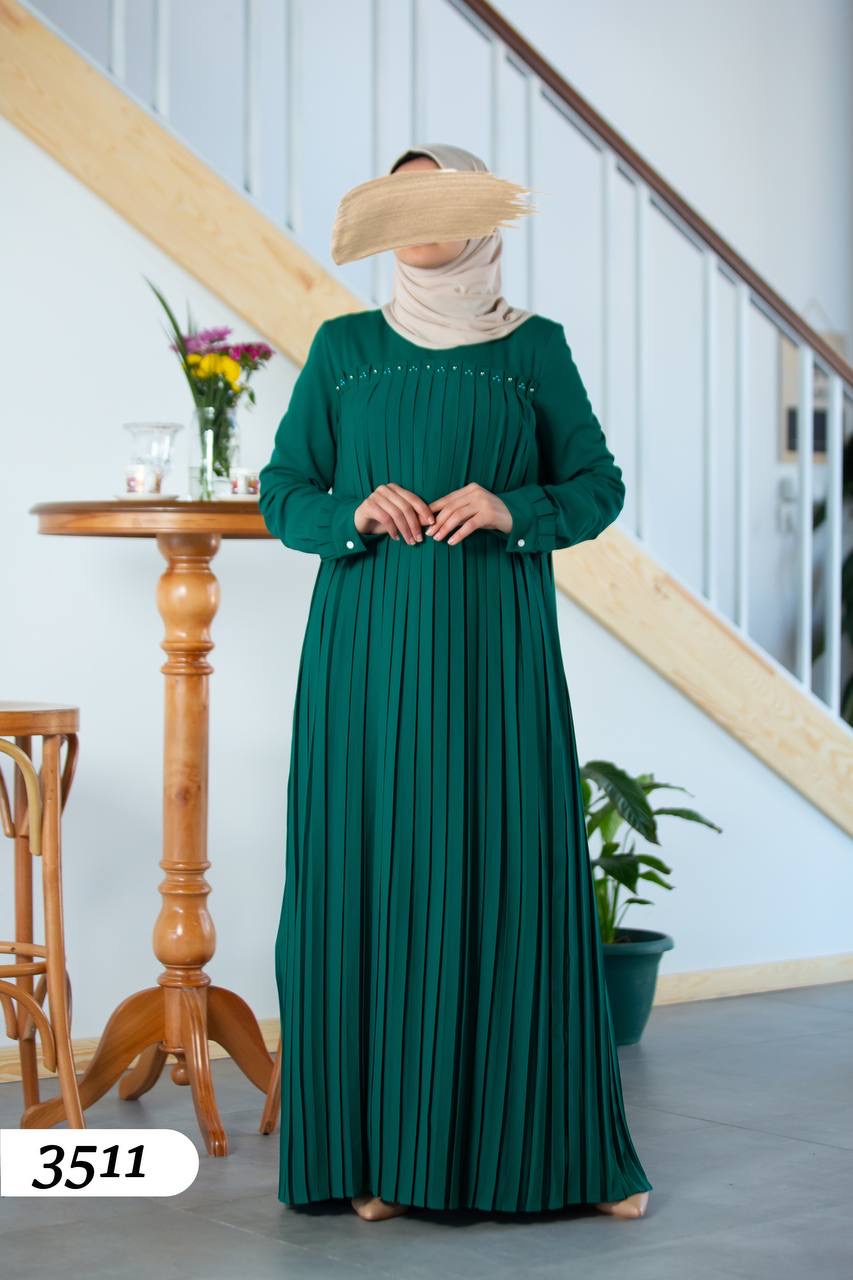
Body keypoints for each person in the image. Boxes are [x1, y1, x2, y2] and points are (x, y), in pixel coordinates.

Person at [258, 142, 653, 1223]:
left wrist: (512, 506)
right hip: (365, 647)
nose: (418, 218)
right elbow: (283, 488)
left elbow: (597, 484)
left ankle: (555, 1158)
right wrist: (348, 512)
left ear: (478, 213)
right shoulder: (343, 349)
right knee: (375, 869)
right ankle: (381, 1156)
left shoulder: (533, 349)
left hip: (492, 647)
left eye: (439, 197)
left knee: (506, 867)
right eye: (401, 199)